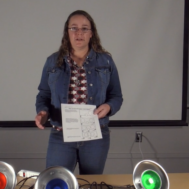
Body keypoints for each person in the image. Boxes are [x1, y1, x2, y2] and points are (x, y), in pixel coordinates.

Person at [35, 10, 123, 174]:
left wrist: (109, 107)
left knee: (90, 188)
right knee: (56, 184)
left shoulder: (105, 61)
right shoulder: (52, 62)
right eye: (73, 28)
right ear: (67, 33)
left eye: (84, 28)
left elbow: (116, 96)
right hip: (61, 135)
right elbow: (44, 95)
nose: (79, 33)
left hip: (95, 136)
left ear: (91, 34)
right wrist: (42, 113)